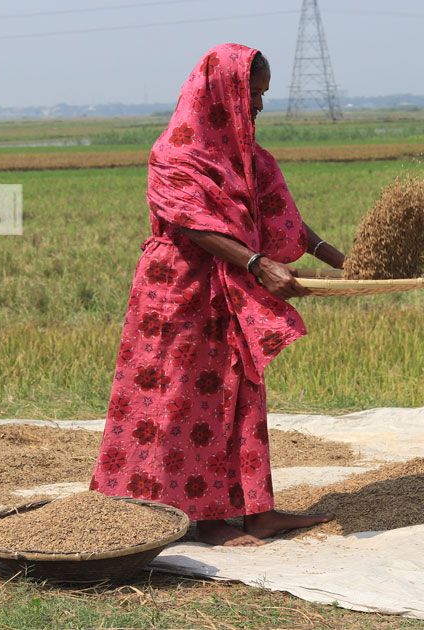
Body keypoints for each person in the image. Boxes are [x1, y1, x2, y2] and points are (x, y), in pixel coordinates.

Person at [89, 43, 346, 546]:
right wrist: (257, 263)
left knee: (239, 393)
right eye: (253, 94)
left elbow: (284, 220)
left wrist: (338, 259)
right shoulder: (174, 155)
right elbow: (190, 224)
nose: (259, 106)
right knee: (182, 398)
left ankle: (255, 511)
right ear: (222, 91)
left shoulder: (249, 157)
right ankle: (199, 518)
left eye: (263, 95)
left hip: (233, 290)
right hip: (179, 294)